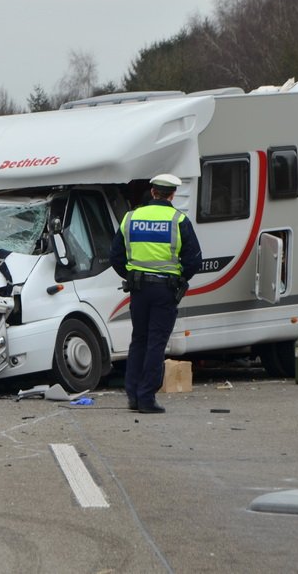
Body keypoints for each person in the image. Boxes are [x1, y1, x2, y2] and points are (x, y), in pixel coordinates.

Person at [110, 173, 202, 414]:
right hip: (164, 290)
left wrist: (130, 274)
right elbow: (194, 260)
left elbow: (116, 257)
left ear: (152, 192)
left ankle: (133, 395)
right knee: (156, 343)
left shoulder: (130, 218)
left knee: (139, 339)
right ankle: (147, 398)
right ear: (172, 195)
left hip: (138, 290)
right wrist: (180, 278)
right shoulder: (178, 220)